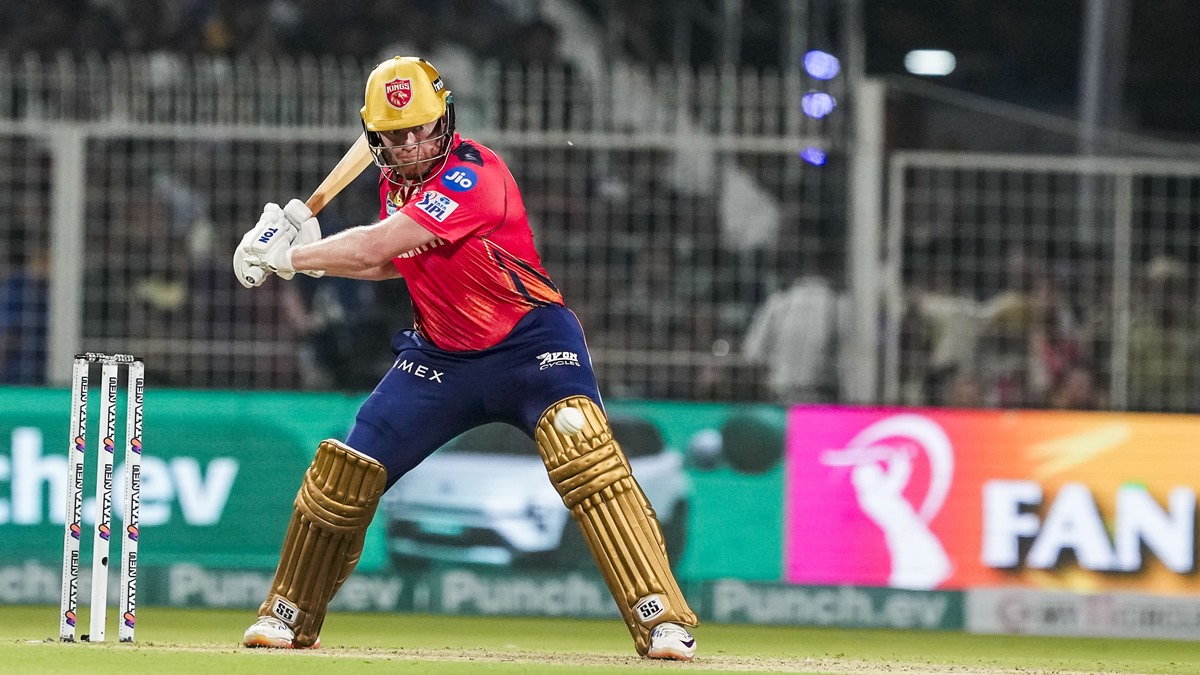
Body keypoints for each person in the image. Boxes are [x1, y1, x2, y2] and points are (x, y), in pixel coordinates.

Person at [231, 56, 698, 660]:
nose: (410, 145)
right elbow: (386, 261)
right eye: (394, 135)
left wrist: (287, 258)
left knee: (582, 447)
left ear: (444, 120)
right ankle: (288, 615)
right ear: (375, 137)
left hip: (531, 344)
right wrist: (315, 259)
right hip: (442, 359)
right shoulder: (395, 185)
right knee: (344, 472)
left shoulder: (473, 175)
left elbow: (375, 245)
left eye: (420, 129)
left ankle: (660, 618)